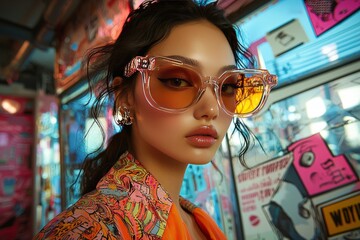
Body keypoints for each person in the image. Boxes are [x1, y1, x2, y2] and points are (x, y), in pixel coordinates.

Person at [34, 0, 277, 239]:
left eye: (228, 87)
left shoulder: (196, 219)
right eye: (177, 81)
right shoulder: (88, 231)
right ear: (125, 96)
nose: (211, 109)